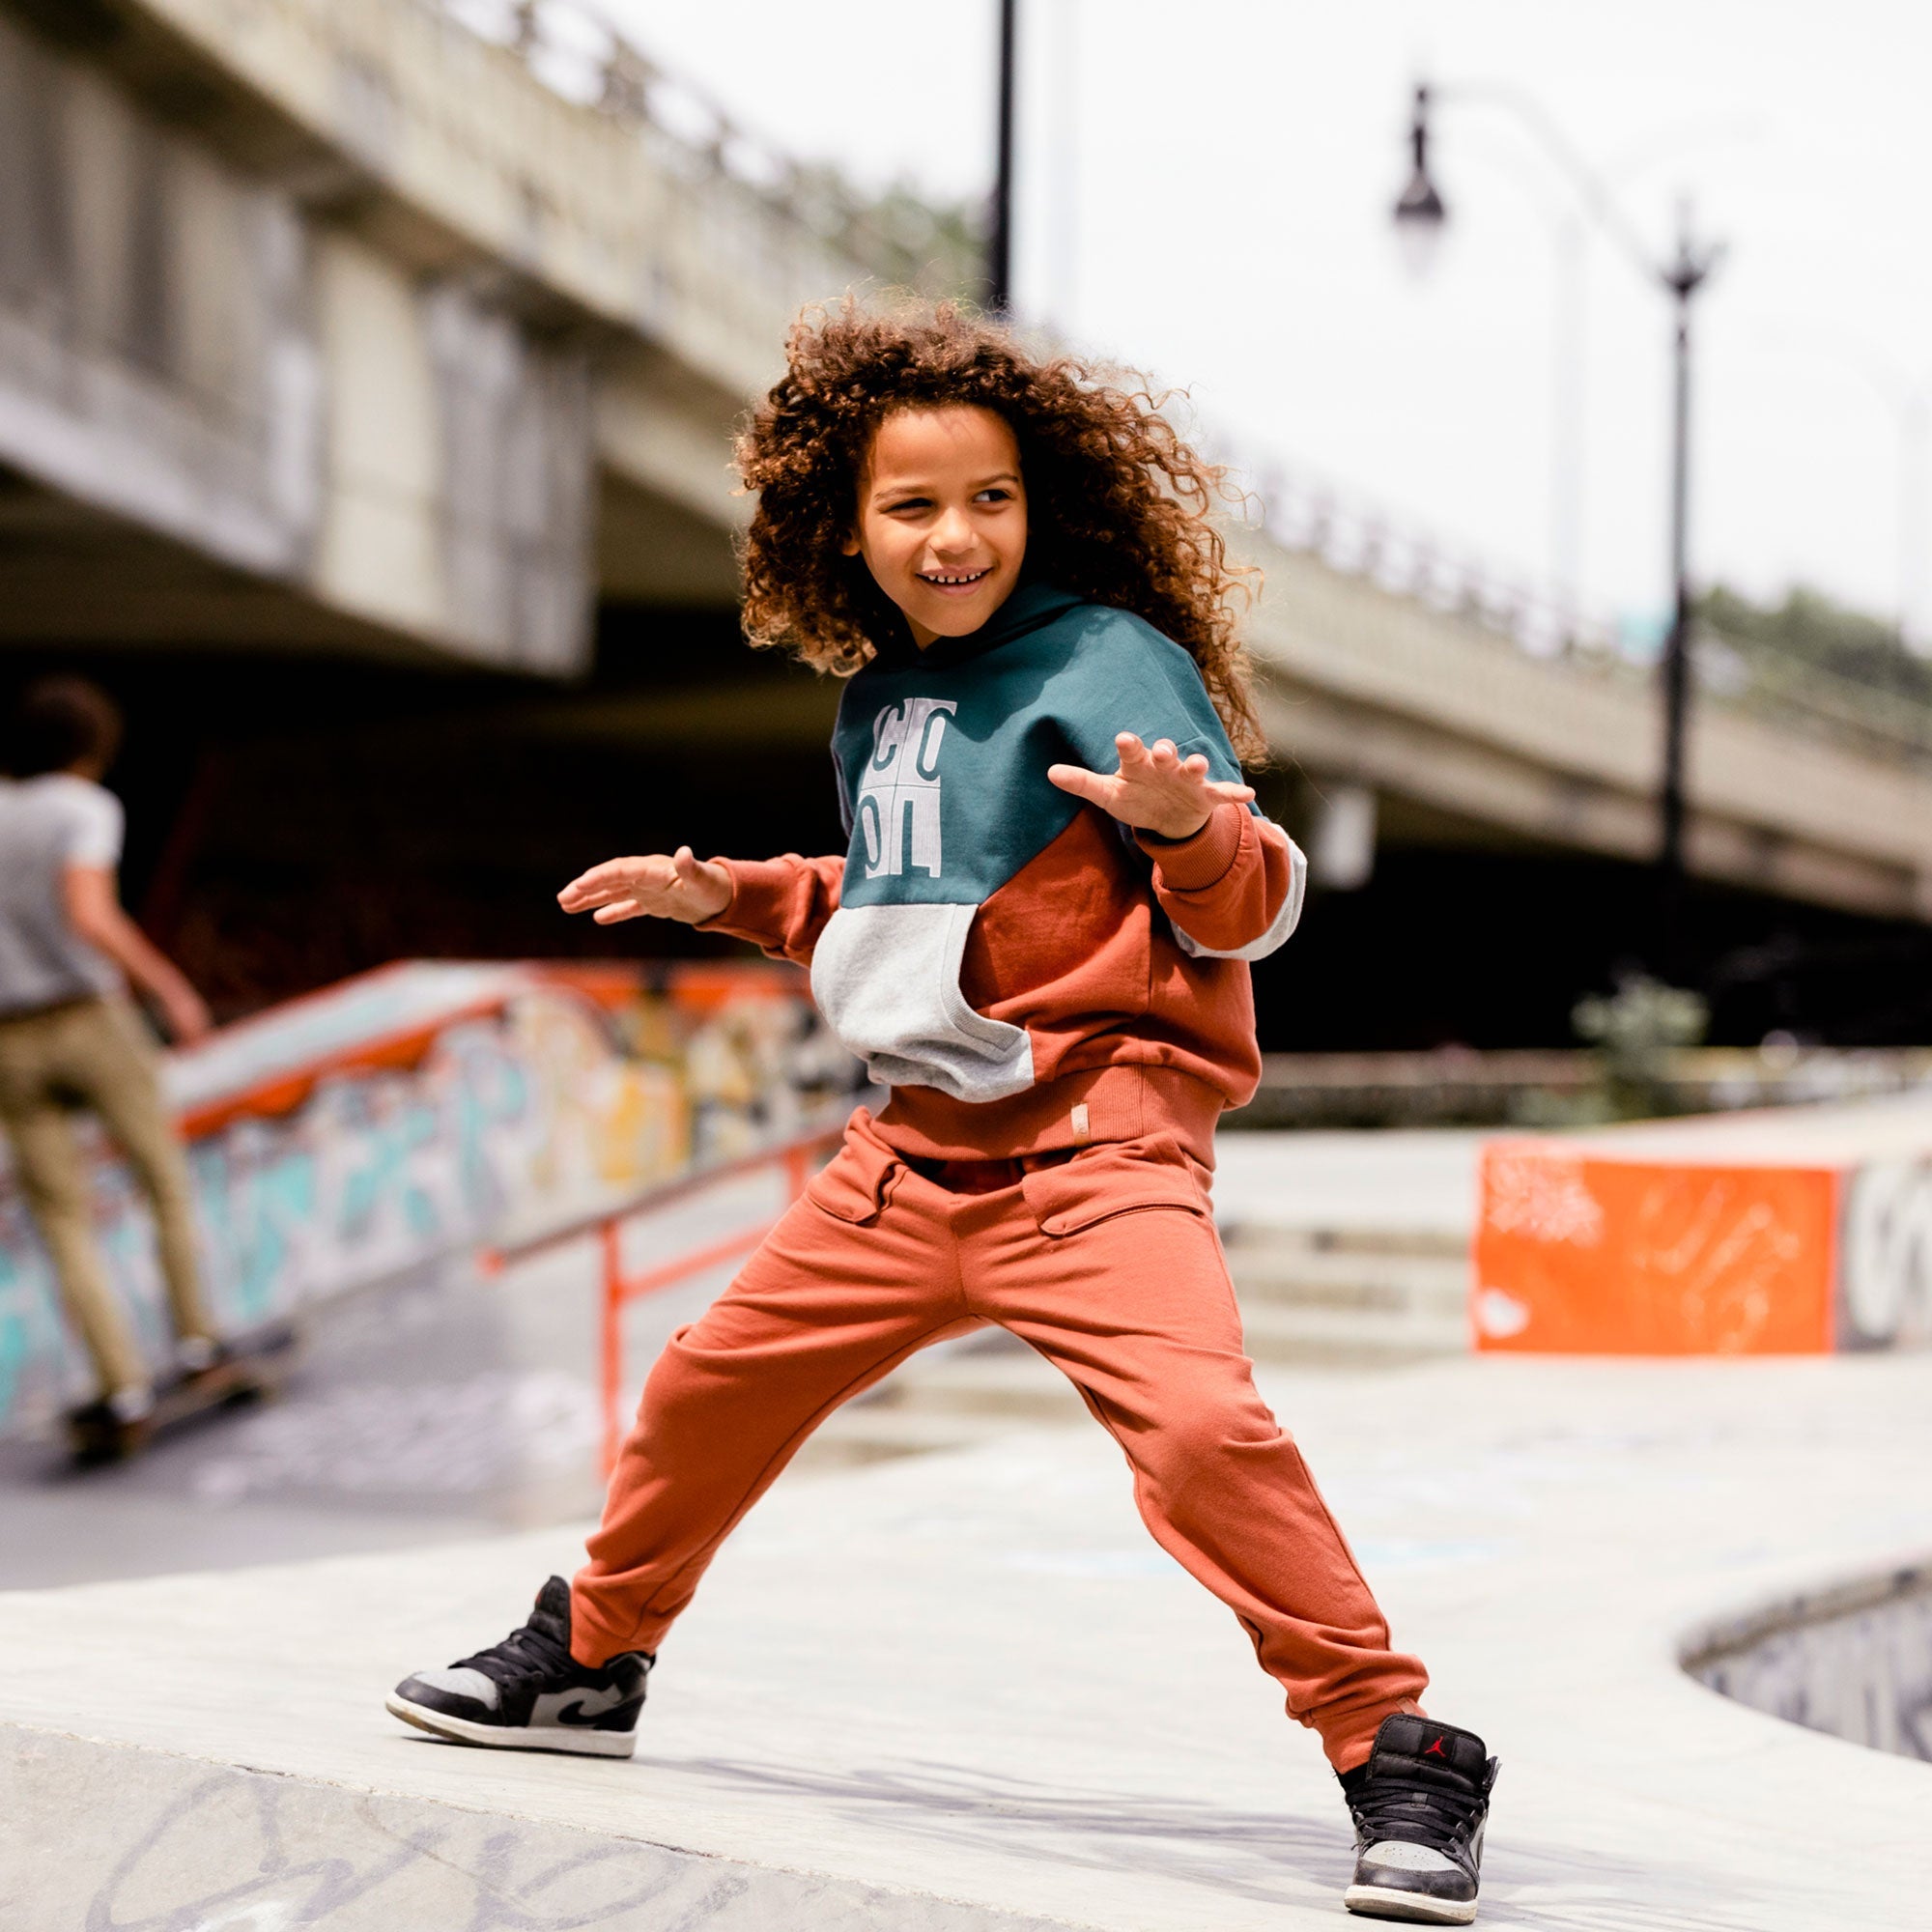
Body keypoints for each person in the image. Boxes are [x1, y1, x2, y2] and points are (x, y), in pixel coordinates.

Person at [386, 304, 1497, 1925]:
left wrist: (1190, 828)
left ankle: (1398, 1747)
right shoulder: (880, 697)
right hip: (906, 1160)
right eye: (910, 508)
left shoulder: (1112, 662)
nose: (954, 534)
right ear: (844, 527)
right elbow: (910, 904)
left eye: (988, 498)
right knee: (705, 1386)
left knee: (1200, 1434)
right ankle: (591, 1664)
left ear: (1040, 504)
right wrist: (740, 893)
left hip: (1096, 1151)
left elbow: (1248, 904)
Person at [0, 676, 219, 1425]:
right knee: (162, 1180)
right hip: (88, 1019)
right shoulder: (84, 806)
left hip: (9, 1037)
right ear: (91, 747)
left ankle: (119, 1383)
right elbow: (90, 914)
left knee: (60, 1217)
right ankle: (195, 1342)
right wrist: (169, 988)